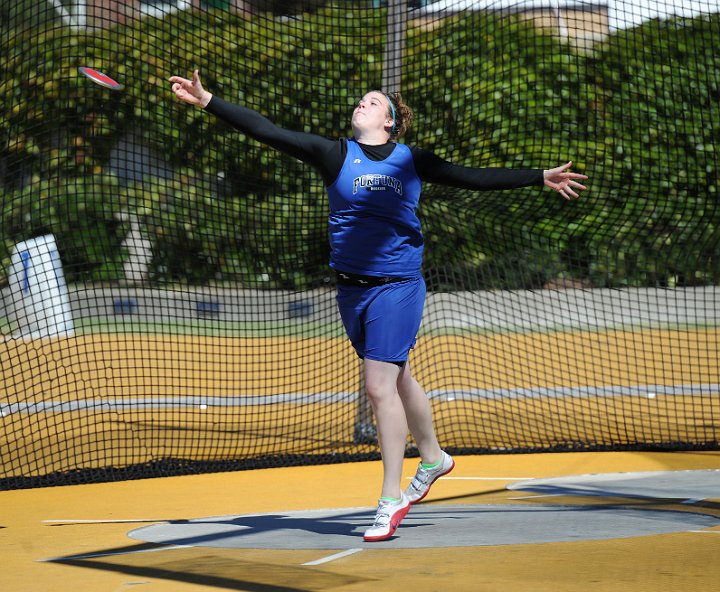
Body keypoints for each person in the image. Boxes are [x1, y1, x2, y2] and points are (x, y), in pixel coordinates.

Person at [169, 70, 588, 542]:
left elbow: (471, 177)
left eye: (372, 102)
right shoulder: (334, 154)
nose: (361, 105)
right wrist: (207, 100)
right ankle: (434, 458)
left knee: (377, 384)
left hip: (398, 285)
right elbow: (267, 130)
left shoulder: (411, 161)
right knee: (397, 374)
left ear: (389, 121)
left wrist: (538, 177)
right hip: (351, 290)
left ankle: (389, 501)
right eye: (360, 102)